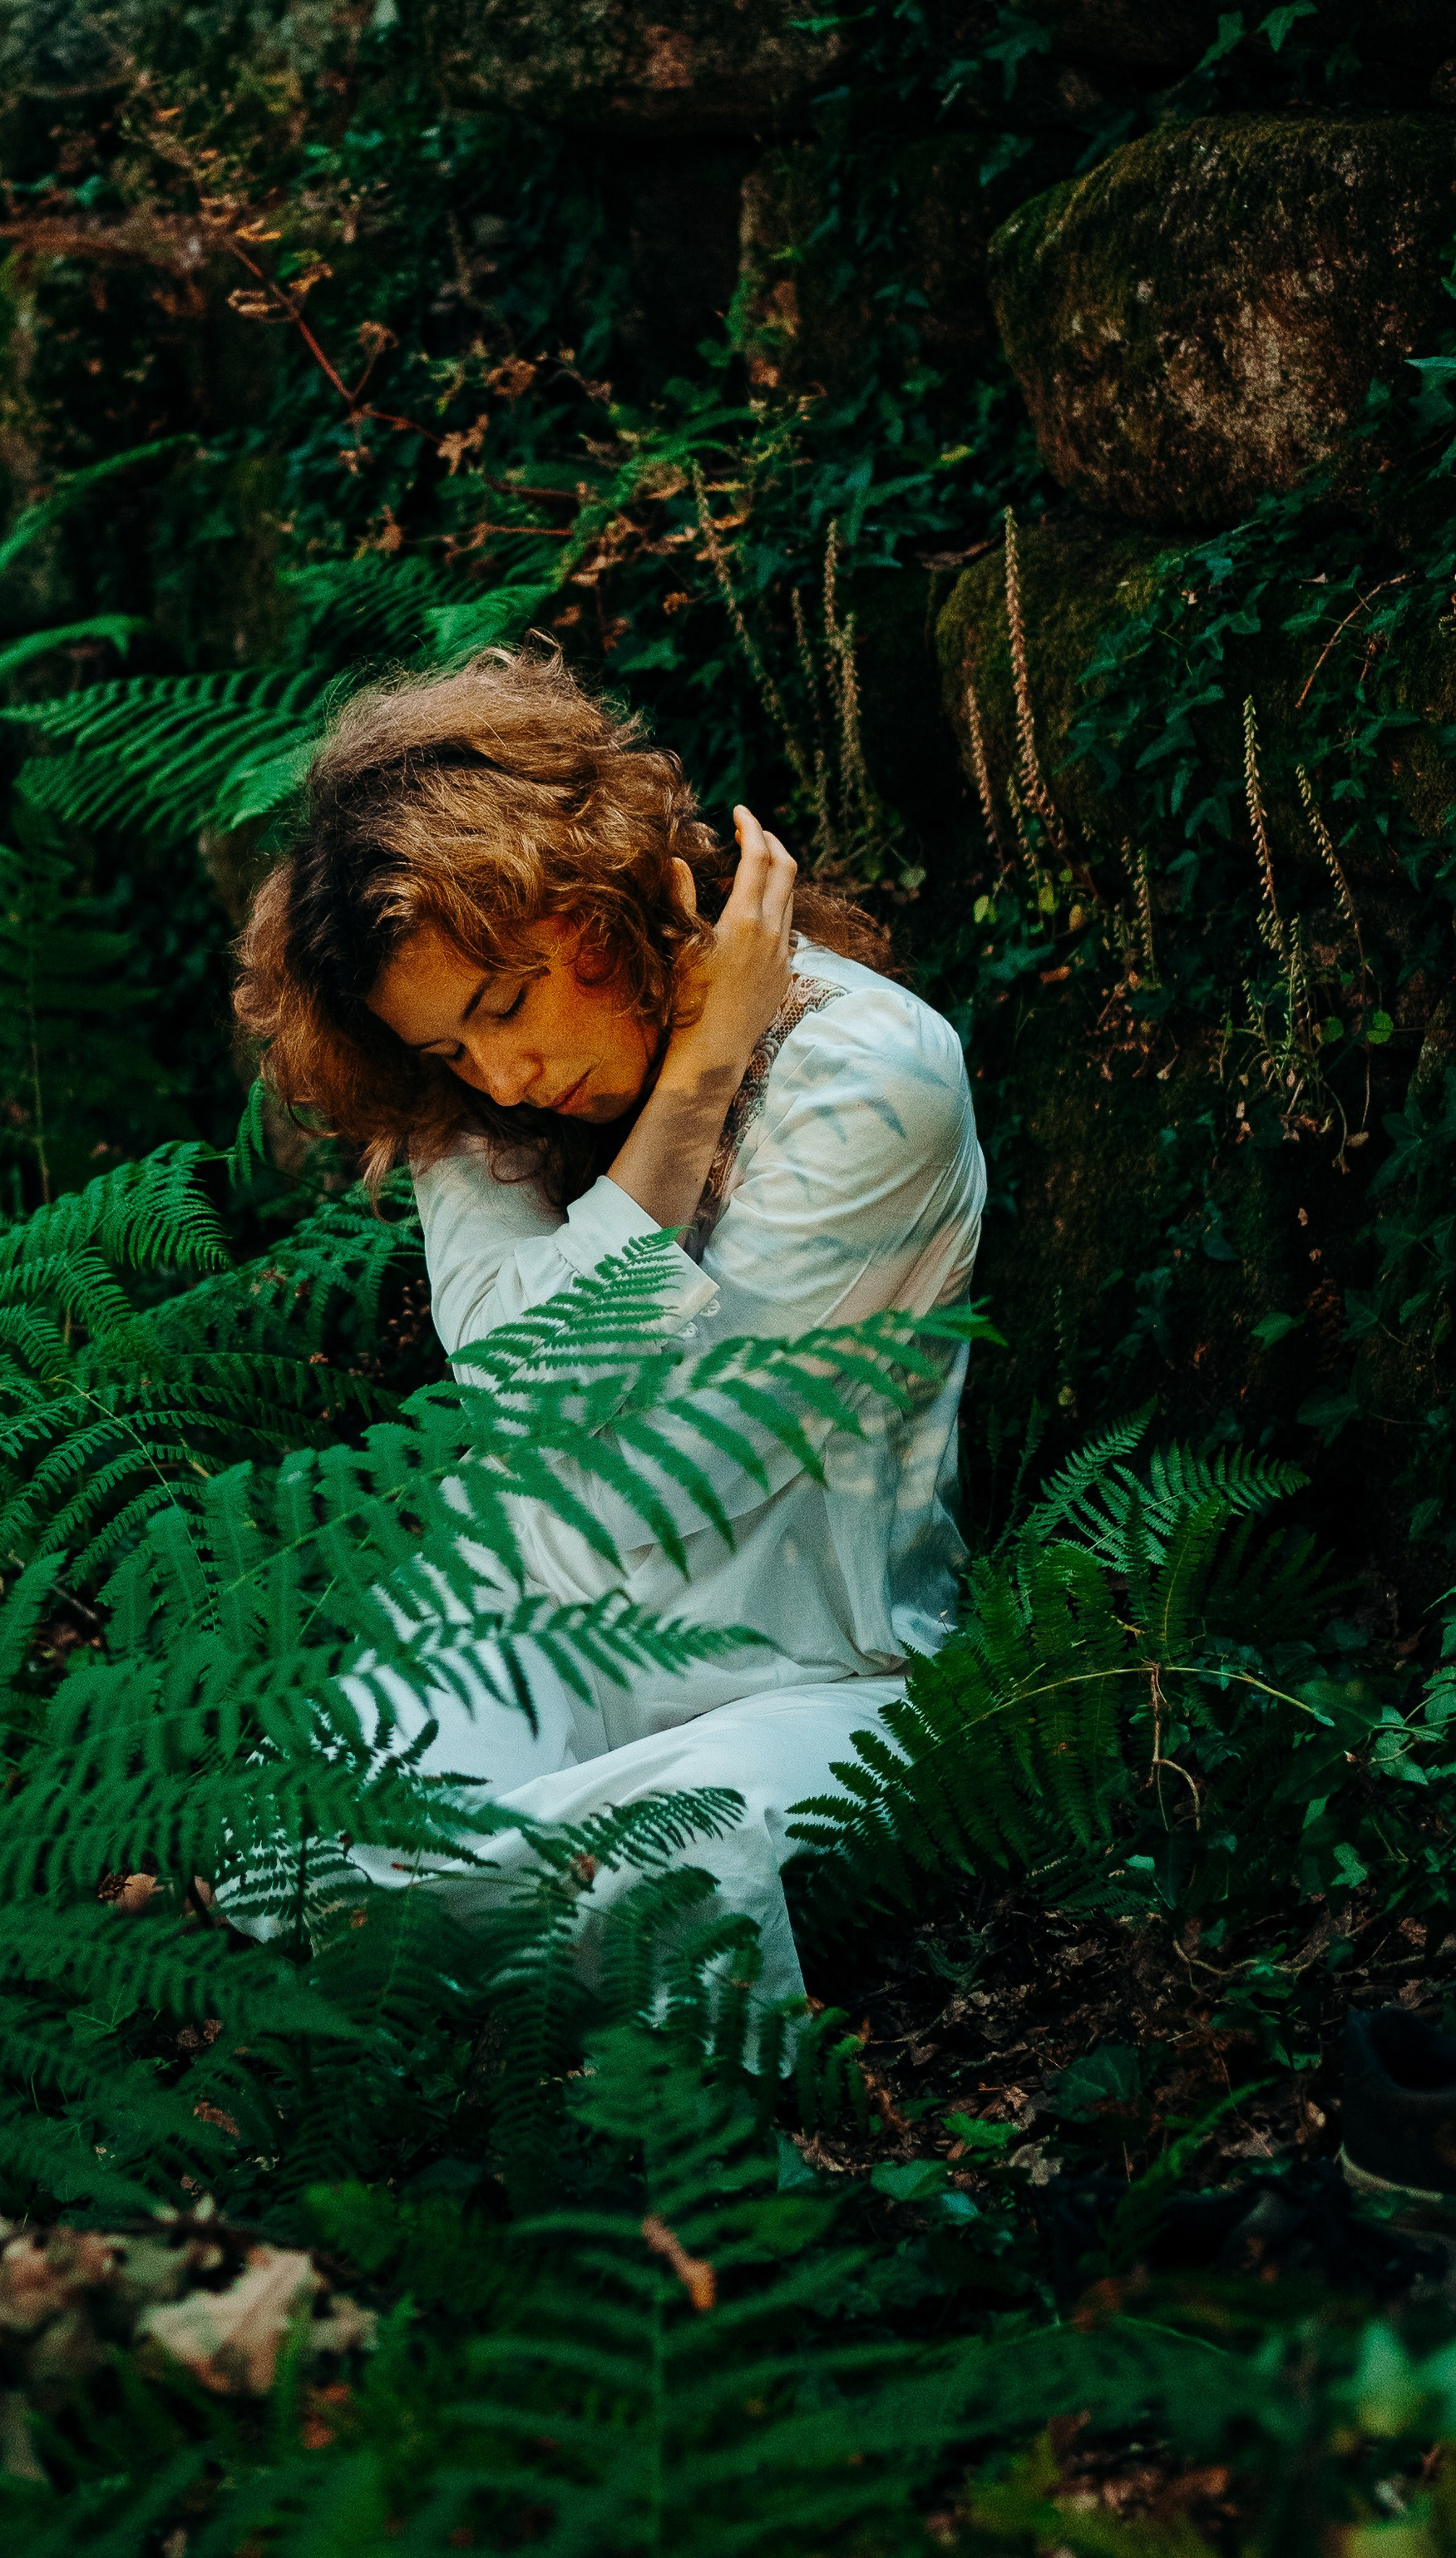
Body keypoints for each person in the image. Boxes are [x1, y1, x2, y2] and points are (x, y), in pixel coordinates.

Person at [233, 647, 985, 2011]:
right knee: (283, 1849)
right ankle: (483, 1923)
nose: (506, 1074)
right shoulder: (476, 1102)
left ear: (591, 898)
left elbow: (668, 1489)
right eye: (454, 1051)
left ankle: (490, 1947)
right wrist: (689, 1079)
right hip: (522, 1634)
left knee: (672, 1866)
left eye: (508, 1007)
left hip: (800, 1682)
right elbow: (525, 1410)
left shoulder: (876, 1082)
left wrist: (698, 1083)